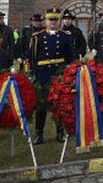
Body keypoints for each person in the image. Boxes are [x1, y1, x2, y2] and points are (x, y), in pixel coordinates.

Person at [29, 10, 74, 143]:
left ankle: (60, 132)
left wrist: (68, 73)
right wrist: (34, 73)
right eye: (50, 20)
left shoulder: (65, 36)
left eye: (55, 20)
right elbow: (32, 57)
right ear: (46, 21)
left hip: (59, 74)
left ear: (58, 21)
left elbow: (70, 57)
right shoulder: (37, 37)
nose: (53, 23)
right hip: (43, 75)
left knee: (60, 104)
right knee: (41, 105)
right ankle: (39, 134)